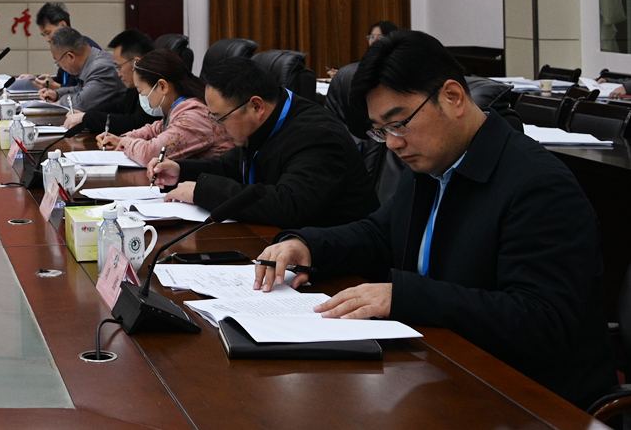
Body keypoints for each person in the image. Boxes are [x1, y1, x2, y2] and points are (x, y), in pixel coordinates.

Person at [256, 31, 616, 411]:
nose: (393, 143)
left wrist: (404, 297)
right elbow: (380, 234)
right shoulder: (433, 165)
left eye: (399, 123)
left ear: (453, 97)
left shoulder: (538, 185)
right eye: (381, 130)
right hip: (443, 369)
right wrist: (308, 245)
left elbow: (541, 322)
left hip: (528, 400)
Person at [151, 56, 376, 228]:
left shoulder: (317, 136)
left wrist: (204, 192)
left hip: (336, 262)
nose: (218, 127)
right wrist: (180, 170)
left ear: (256, 106)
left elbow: (288, 206)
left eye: (221, 118)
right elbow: (230, 166)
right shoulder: (266, 122)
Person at [95, 49, 234, 164]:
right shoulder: (179, 109)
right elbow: (155, 129)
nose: (142, 97)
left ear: (162, 86)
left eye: (141, 92)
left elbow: (149, 154)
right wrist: (120, 139)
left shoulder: (195, 116)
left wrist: (126, 142)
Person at [64, 28, 156, 134]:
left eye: (119, 66)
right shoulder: (134, 86)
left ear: (136, 64)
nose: (119, 74)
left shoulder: (155, 86)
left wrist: (87, 118)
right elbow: (119, 106)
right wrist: (85, 114)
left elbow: (134, 124)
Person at [39, 26, 122, 113]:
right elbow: (80, 90)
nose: (60, 66)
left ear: (71, 56)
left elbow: (81, 104)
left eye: (58, 63)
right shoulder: (92, 62)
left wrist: (60, 102)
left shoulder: (101, 68)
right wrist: (56, 94)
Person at [33, 2, 100, 90]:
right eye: (43, 35)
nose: (47, 39)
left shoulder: (86, 48)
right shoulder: (62, 49)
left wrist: (57, 87)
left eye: (48, 33)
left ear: (63, 25)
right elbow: (62, 80)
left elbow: (87, 88)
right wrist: (36, 79)